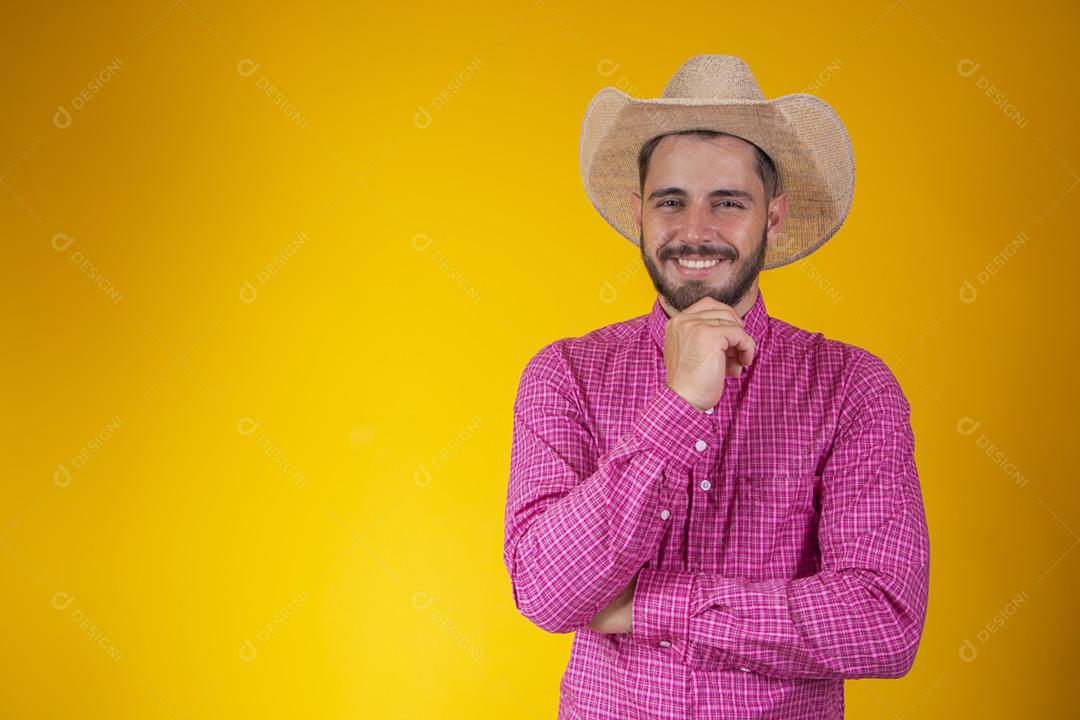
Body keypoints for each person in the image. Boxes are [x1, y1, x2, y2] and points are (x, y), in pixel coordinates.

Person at [502, 55, 930, 719]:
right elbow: (545, 592)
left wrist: (646, 604)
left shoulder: (852, 387)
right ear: (639, 214)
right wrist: (677, 406)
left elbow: (883, 622)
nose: (695, 231)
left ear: (774, 217)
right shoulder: (566, 374)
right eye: (670, 201)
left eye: (728, 203)